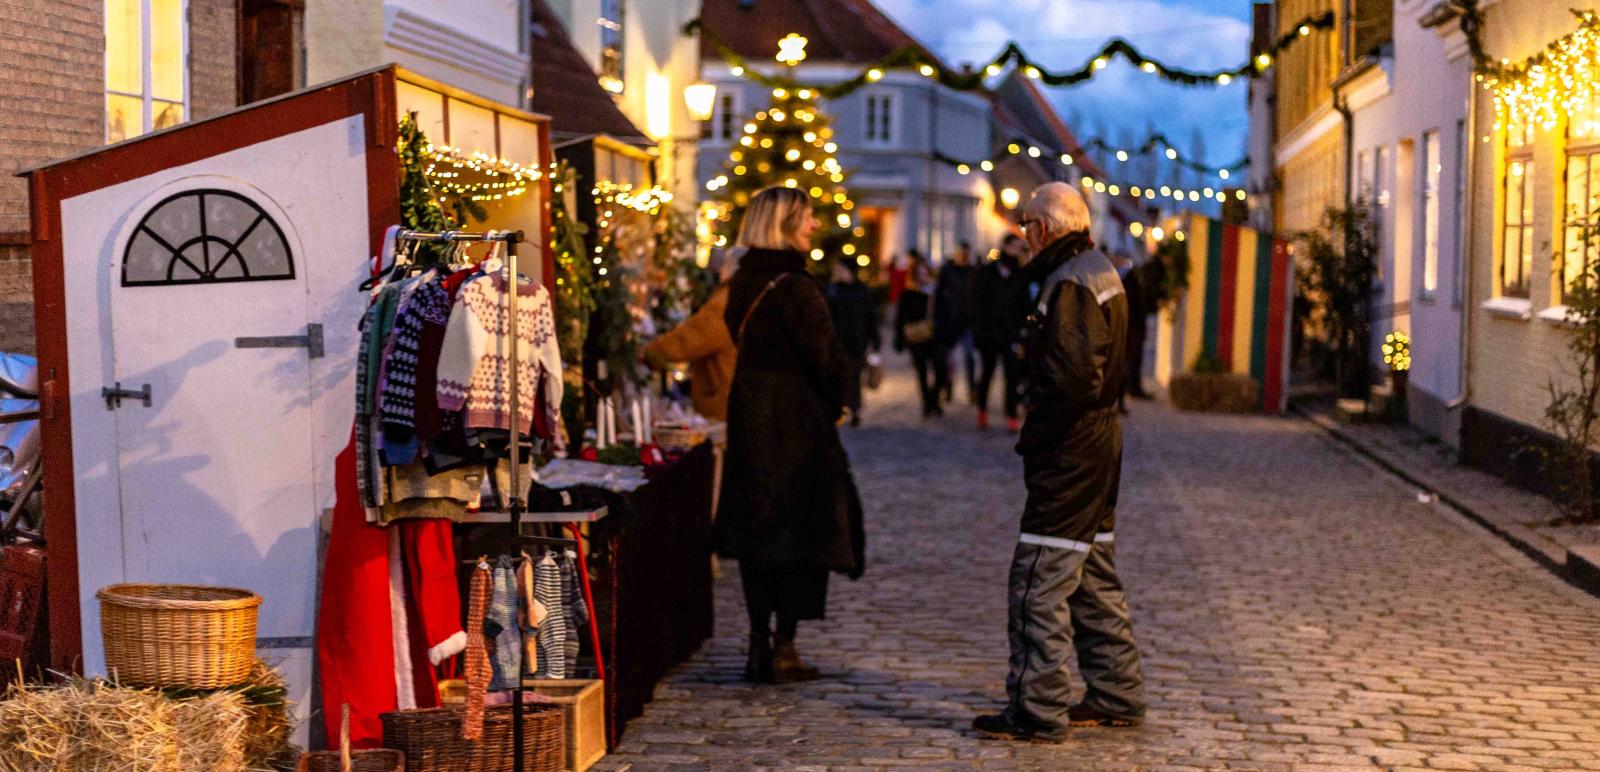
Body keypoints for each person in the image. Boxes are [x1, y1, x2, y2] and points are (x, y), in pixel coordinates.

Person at [973, 182, 1145, 743]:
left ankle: (1036, 707)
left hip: (1072, 448)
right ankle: (1116, 692)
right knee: (1092, 574)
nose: (1023, 236)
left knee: (1038, 581)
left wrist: (1035, 438)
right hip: (1098, 443)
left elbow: (1069, 380)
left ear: (1043, 228)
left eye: (1027, 225)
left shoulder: (1067, 282)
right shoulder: (1096, 270)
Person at [717, 186, 866, 685]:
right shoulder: (796, 287)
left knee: (758, 534)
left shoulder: (743, 282)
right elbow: (827, 357)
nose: (812, 227)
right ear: (783, 225)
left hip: (751, 415)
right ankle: (784, 646)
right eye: (804, 219)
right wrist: (839, 401)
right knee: (803, 534)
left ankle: (758, 642)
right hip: (796, 423)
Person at [642, 249, 742, 421]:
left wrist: (651, 352)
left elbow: (689, 339)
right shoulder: (743, 296)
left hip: (726, 401)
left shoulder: (727, 300)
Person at [971, 234, 1032, 432]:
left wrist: (1023, 328)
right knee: (987, 374)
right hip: (989, 333)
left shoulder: (1020, 274)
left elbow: (1025, 305)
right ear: (1005, 247)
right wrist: (979, 330)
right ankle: (982, 411)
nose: (1017, 251)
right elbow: (978, 303)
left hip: (1010, 333)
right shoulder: (988, 272)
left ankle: (1011, 415)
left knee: (1012, 376)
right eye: (1015, 247)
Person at [825, 259, 880, 426]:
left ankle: (854, 410)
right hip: (836, 342)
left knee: (854, 377)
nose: (838, 273)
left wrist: (874, 339)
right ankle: (839, 409)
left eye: (841, 269)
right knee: (838, 378)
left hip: (857, 341)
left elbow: (870, 316)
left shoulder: (862, 290)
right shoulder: (832, 290)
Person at [894, 255, 942, 418]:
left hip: (936, 337)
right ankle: (927, 404)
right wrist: (899, 340)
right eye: (919, 274)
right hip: (915, 337)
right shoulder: (908, 293)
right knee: (921, 372)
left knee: (941, 371)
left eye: (925, 273)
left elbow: (947, 313)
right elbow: (901, 318)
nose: (922, 277)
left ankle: (934, 399)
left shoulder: (937, 292)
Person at [935, 241, 977, 403]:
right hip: (950, 321)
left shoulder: (974, 271)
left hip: (968, 321)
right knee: (949, 359)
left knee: (970, 356)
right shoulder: (947, 271)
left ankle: (972, 388)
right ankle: (948, 387)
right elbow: (939, 296)